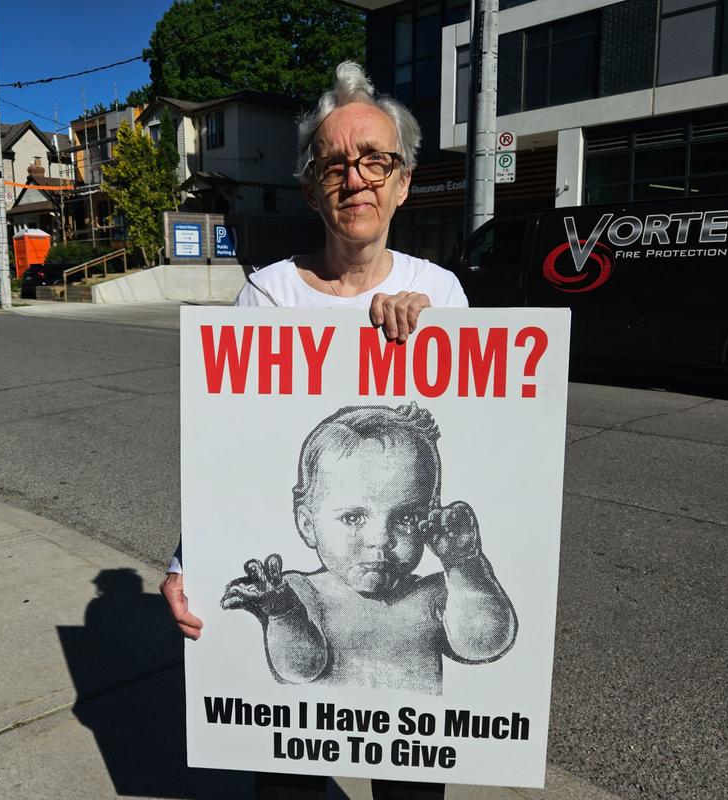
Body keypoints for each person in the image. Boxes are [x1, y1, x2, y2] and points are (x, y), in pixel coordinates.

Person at [162, 61, 468, 800]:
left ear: (402, 181)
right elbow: (228, 442)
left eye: (375, 160)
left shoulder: (443, 293)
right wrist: (186, 562)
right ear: (311, 188)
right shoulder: (269, 293)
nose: (355, 178)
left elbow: (480, 434)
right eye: (334, 163)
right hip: (296, 700)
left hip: (418, 713)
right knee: (291, 783)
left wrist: (433, 341)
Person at [221, 403, 517, 696]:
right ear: (308, 524)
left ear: (432, 516)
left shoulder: (435, 595)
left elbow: (486, 642)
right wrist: (283, 612)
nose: (381, 538)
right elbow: (299, 668)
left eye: (406, 517)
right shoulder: (302, 593)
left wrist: (465, 565)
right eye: (352, 518)